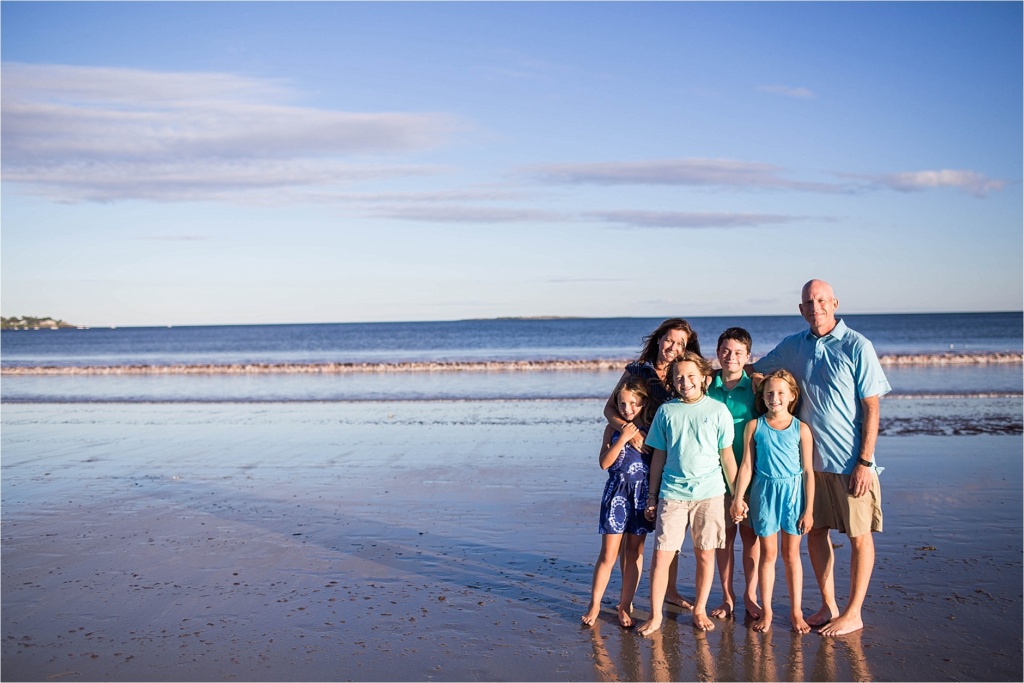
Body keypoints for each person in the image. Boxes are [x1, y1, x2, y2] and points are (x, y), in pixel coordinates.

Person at [751, 279, 890, 636]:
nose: (816, 307)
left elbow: (872, 407)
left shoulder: (857, 345)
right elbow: (758, 371)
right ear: (801, 309)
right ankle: (829, 605)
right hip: (808, 466)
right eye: (809, 302)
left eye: (822, 300)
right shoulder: (793, 346)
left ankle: (854, 611)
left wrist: (865, 461)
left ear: (835, 303)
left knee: (860, 536)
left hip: (850, 463)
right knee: (815, 533)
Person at [602, 318, 702, 610]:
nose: (673, 347)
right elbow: (609, 408)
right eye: (669, 339)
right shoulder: (637, 371)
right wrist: (629, 433)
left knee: (668, 528)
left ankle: (670, 590)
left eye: (681, 343)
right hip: (635, 460)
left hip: (670, 458)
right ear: (659, 339)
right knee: (633, 532)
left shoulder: (683, 375)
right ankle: (627, 597)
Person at [635, 352, 738, 635]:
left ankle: (700, 609)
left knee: (705, 555)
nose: (685, 381)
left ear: (705, 378)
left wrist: (737, 495)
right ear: (672, 381)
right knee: (662, 555)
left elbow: (726, 456)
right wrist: (652, 496)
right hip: (673, 494)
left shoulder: (718, 411)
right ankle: (656, 615)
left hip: (711, 494)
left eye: (691, 375)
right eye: (678, 377)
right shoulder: (667, 411)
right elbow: (659, 456)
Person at [731, 369, 815, 633]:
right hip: (763, 493)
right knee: (768, 555)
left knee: (791, 555)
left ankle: (796, 612)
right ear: (762, 395)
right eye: (769, 393)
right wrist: (737, 498)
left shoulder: (801, 429)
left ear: (792, 396)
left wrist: (809, 509)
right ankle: (766, 612)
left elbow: (808, 472)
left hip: (793, 494)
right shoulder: (754, 426)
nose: (774, 397)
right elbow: (746, 466)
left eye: (780, 393)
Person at [582, 376, 656, 628]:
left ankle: (625, 605)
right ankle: (595, 603)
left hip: (641, 496)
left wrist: (653, 498)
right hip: (616, 495)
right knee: (608, 554)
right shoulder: (612, 429)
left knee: (634, 552)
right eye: (623, 404)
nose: (628, 409)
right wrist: (623, 438)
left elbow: (657, 464)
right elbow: (604, 463)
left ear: (644, 403)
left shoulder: (652, 429)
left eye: (634, 404)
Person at [706, 327, 761, 621]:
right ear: (717, 354)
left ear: (748, 357)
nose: (731, 357)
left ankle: (750, 595)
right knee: (724, 538)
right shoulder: (705, 387)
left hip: (752, 475)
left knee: (750, 538)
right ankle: (727, 597)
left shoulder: (755, 388)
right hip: (714, 477)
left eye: (738, 352)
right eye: (726, 351)